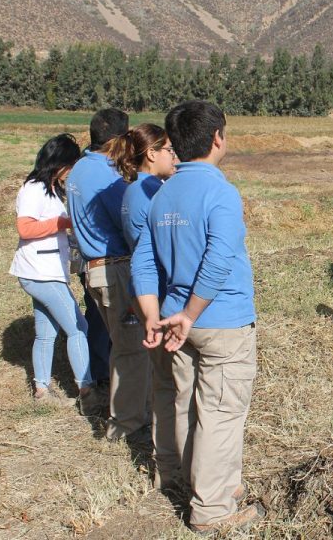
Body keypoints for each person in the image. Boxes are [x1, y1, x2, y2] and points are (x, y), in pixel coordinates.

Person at [131, 100, 264, 533]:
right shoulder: (220, 192)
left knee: (186, 407)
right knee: (221, 414)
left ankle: (196, 482)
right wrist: (191, 313)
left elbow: (144, 262)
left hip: (175, 322)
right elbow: (219, 258)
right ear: (217, 139)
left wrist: (155, 315)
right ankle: (212, 510)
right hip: (218, 321)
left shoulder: (160, 194)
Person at [67, 108, 151, 442]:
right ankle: (128, 424)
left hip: (95, 269)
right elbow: (128, 219)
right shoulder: (105, 176)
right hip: (115, 268)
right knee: (132, 350)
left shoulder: (79, 168)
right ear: (118, 140)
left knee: (121, 346)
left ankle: (126, 411)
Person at [104, 124, 180, 490]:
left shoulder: (140, 188)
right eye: (168, 150)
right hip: (159, 295)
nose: (174, 156)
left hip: (154, 291)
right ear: (151, 154)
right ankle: (167, 456)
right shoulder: (145, 191)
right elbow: (152, 251)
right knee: (167, 381)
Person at [9, 133, 98, 412]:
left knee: (46, 331)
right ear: (59, 163)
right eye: (71, 165)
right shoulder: (34, 189)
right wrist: (63, 222)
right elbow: (25, 228)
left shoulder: (48, 188)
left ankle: (41, 389)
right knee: (78, 328)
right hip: (40, 272)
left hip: (43, 270)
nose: (71, 173)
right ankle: (88, 391)